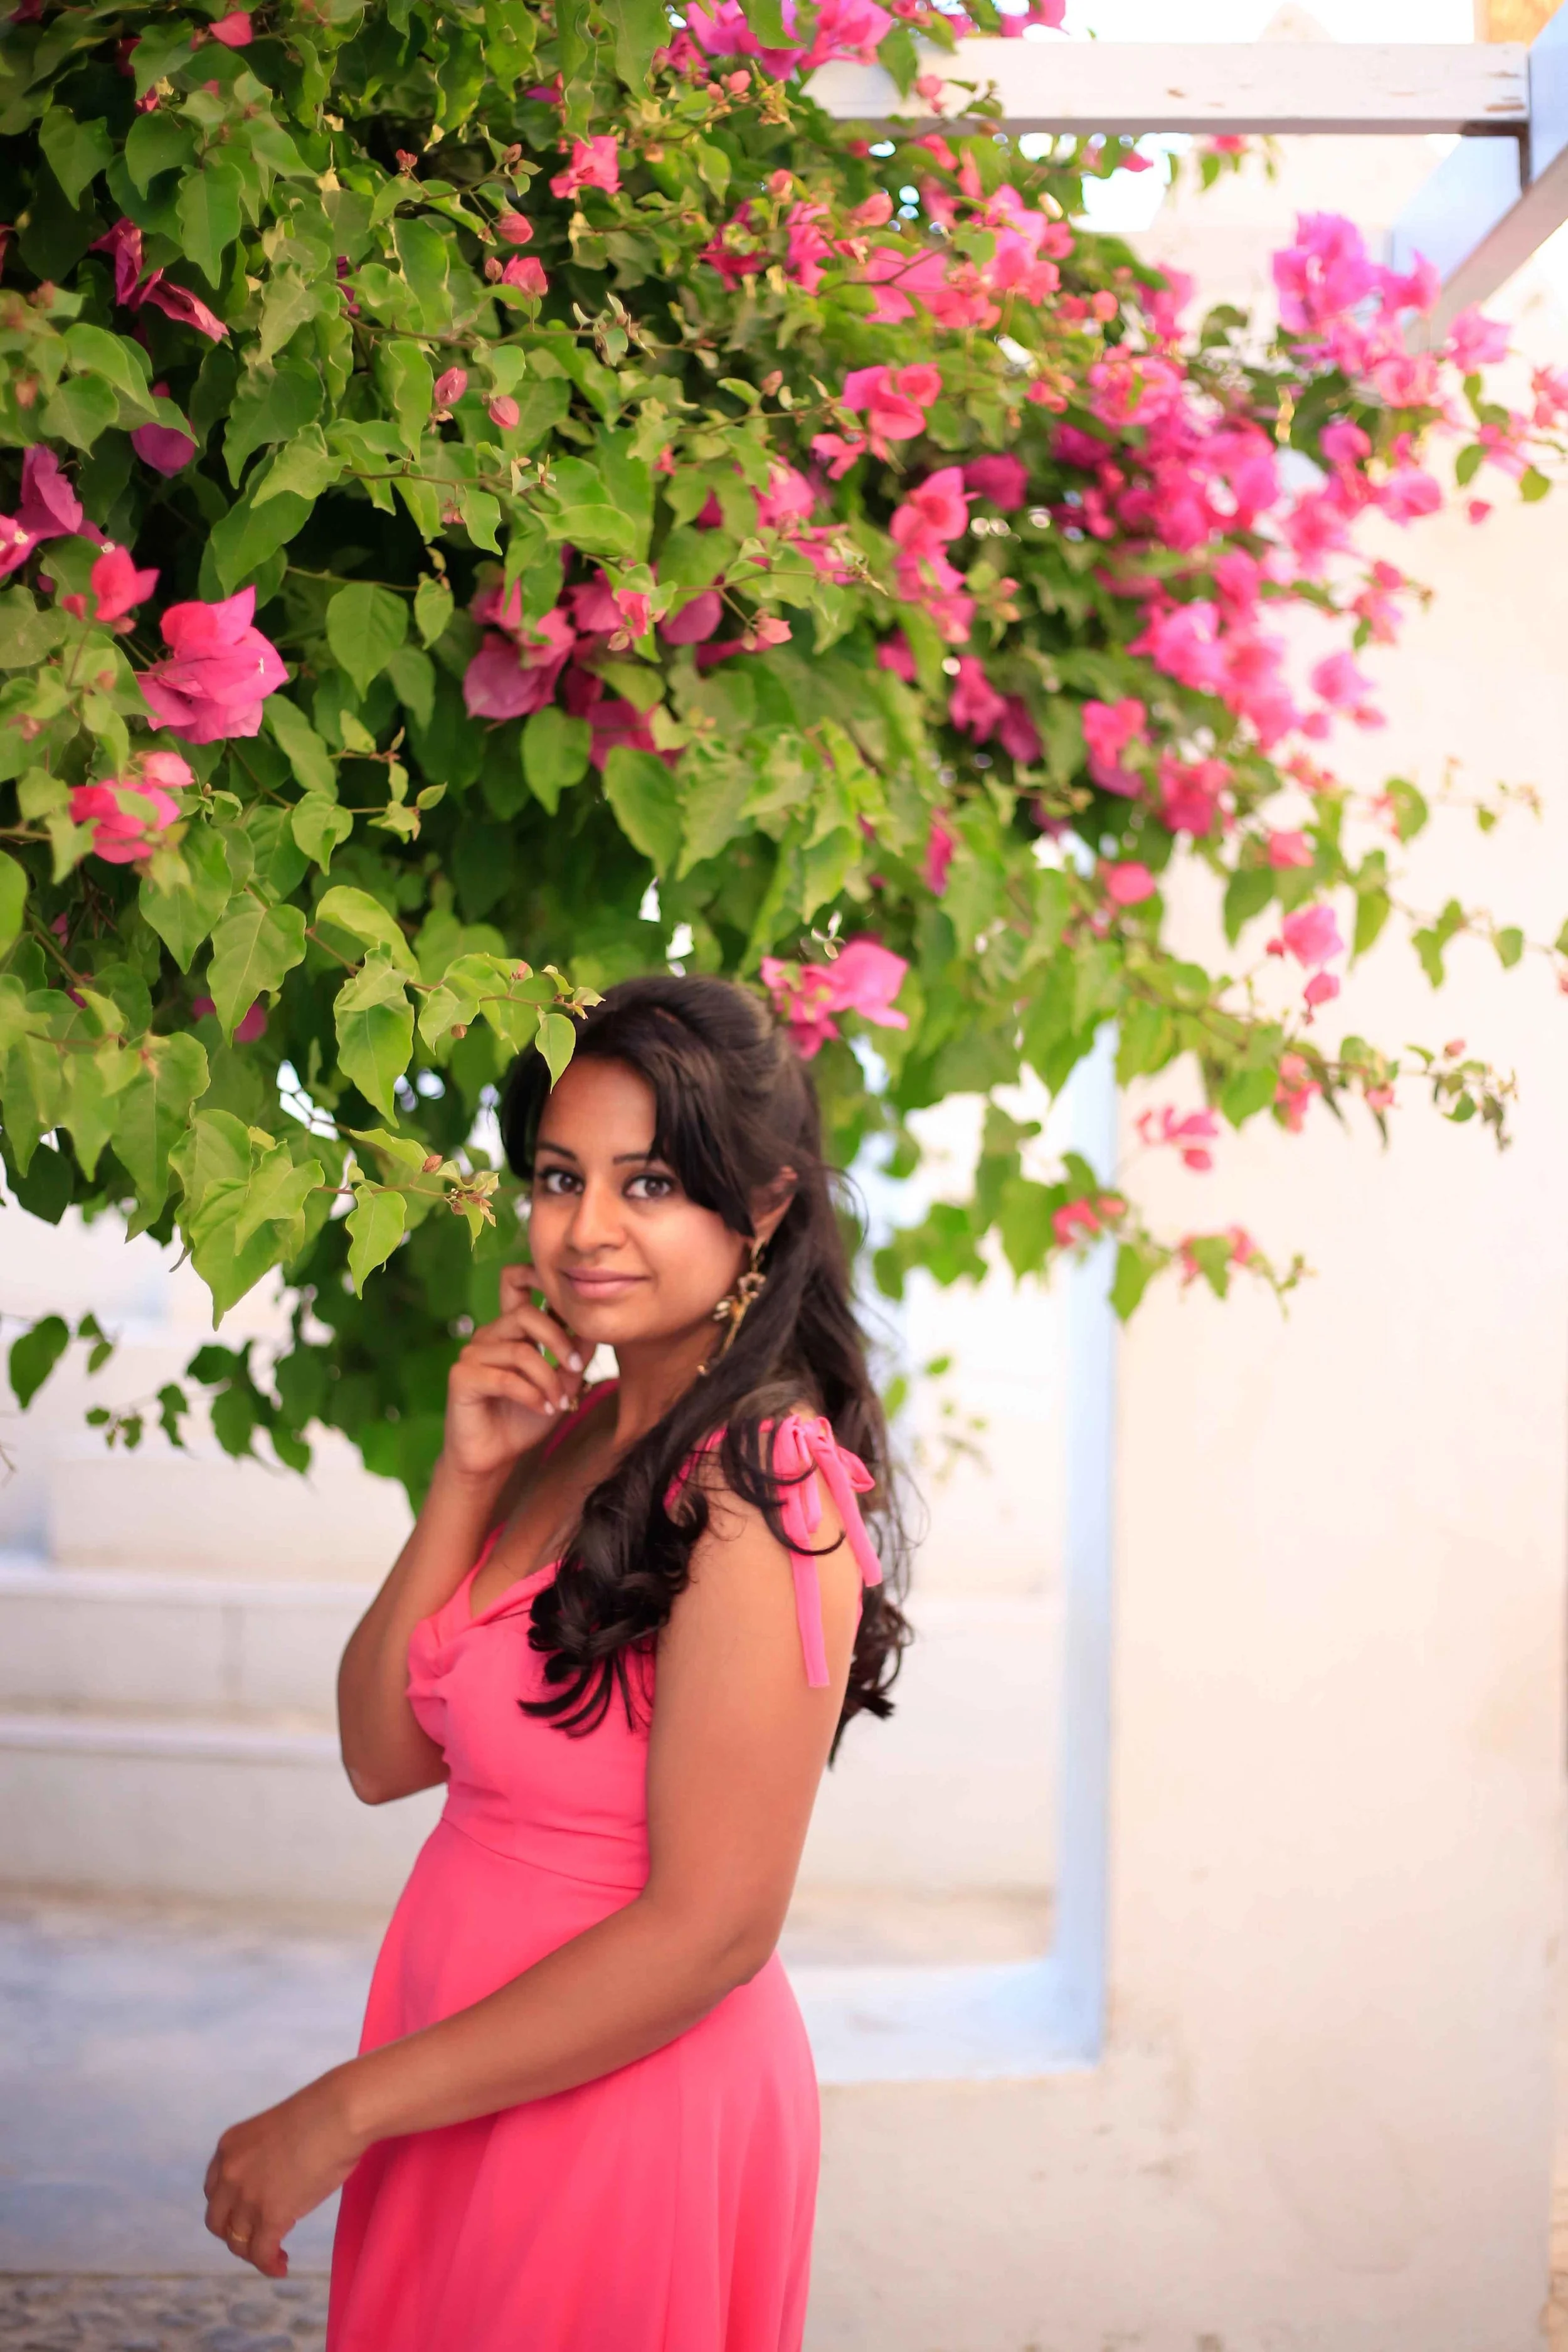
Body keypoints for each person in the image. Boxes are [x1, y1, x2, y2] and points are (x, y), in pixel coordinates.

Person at [201, 972, 911, 2351]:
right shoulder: (576, 1435)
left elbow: (714, 1930)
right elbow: (380, 1756)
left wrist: (343, 2108)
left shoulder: (762, 1491)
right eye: (558, 1176)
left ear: (763, 1207)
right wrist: (468, 1477)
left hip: (618, 2109)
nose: (586, 1228)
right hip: (457, 2074)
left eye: (650, 1184)